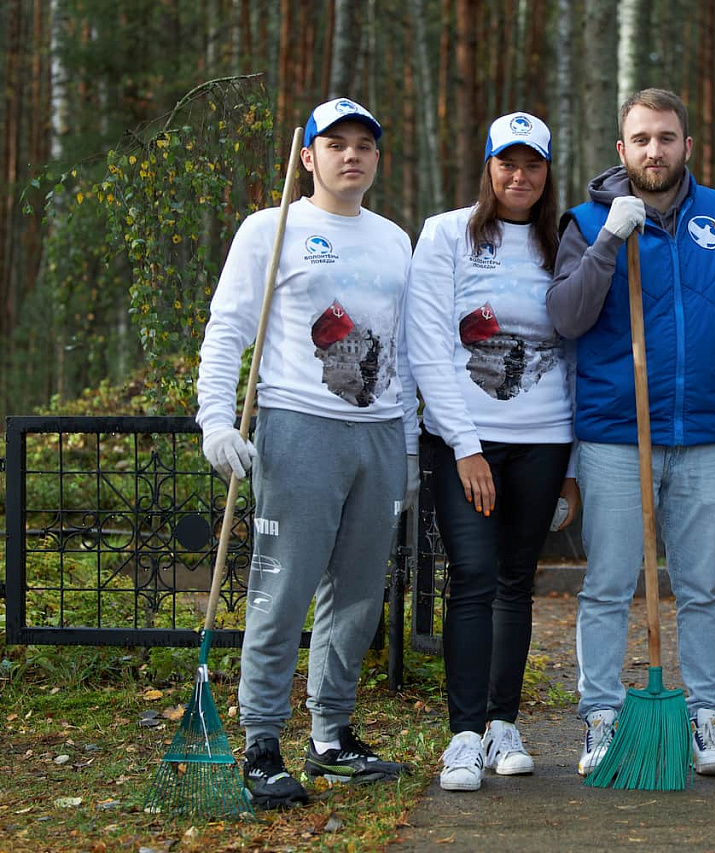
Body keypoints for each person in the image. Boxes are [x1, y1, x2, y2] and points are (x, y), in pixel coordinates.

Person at [548, 88, 715, 777]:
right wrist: (609, 242)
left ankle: (706, 716)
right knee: (610, 581)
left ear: (687, 145)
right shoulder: (587, 220)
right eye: (642, 139)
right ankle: (601, 715)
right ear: (622, 150)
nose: (656, 150)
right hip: (618, 434)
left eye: (667, 137)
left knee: (704, 583)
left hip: (708, 431)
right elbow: (565, 316)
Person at [196, 97, 417, 808]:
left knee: (356, 592)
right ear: (308, 156)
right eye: (335, 144)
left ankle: (332, 734)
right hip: (298, 425)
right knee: (284, 587)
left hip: (378, 431)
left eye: (364, 145)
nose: (350, 155)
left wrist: (407, 443)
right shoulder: (273, 228)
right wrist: (215, 420)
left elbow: (406, 351)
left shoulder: (393, 239)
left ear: (377, 158)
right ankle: (262, 740)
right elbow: (227, 328)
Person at [406, 112, 579, 793]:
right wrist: (466, 446)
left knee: (515, 580)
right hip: (463, 438)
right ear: (488, 168)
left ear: (546, 172)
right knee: (472, 576)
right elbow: (427, 345)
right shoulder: (447, 234)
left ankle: (504, 723)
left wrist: (569, 468)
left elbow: (570, 349)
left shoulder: (560, 242)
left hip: (543, 439)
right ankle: (463, 733)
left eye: (532, 164)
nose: (519, 176)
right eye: (507, 163)